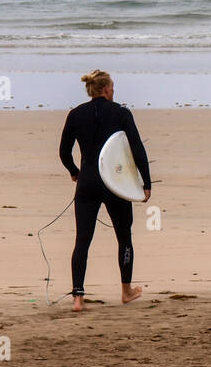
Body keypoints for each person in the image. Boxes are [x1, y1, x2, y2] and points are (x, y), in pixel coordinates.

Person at [58, 70, 151, 310]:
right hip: (115, 183)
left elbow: (63, 151)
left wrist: (74, 171)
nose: (114, 91)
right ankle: (126, 291)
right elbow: (137, 148)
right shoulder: (121, 113)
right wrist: (145, 183)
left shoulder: (76, 114)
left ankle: (78, 297)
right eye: (113, 87)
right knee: (124, 237)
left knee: (82, 240)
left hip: (87, 182)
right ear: (106, 89)